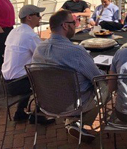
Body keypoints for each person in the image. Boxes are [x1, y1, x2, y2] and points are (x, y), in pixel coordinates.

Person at [32, 10, 104, 142]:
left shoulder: (39, 48)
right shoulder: (76, 51)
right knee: (105, 86)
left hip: (46, 103)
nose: (76, 25)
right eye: (74, 22)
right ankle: (74, 121)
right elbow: (97, 77)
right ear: (65, 26)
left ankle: (73, 122)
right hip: (73, 104)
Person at [2, 4, 54, 124]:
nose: (40, 18)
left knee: (30, 72)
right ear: (29, 17)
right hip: (18, 83)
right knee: (49, 78)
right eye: (38, 15)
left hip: (5, 80)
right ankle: (39, 115)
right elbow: (44, 56)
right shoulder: (30, 35)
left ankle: (20, 112)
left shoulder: (14, 32)